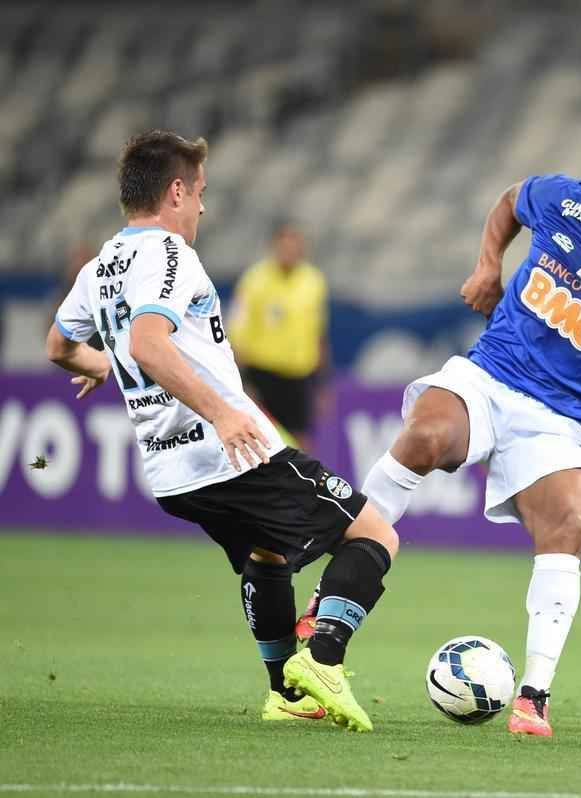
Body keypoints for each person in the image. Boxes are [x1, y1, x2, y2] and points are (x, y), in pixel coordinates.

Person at [45, 129, 396, 732]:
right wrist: (224, 412)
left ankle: (286, 694)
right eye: (200, 192)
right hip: (227, 452)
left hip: (170, 472)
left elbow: (58, 345)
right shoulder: (170, 255)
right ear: (176, 192)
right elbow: (148, 344)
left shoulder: (101, 266)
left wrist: (102, 365)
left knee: (268, 553)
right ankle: (323, 661)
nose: (203, 207)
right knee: (375, 534)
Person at [353, 155, 581, 737]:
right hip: (492, 375)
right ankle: (330, 607)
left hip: (560, 420)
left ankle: (534, 696)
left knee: (570, 517)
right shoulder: (561, 200)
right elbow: (509, 201)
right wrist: (488, 263)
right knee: (423, 436)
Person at [228, 222, 329, 452]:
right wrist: (241, 379)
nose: (289, 251)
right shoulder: (254, 280)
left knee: (300, 442)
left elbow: (318, 334)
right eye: (284, 246)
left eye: (294, 246)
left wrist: (322, 384)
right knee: (260, 437)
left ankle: (298, 477)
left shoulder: (313, 281)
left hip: (299, 375)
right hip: (263, 373)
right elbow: (237, 331)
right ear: (274, 247)